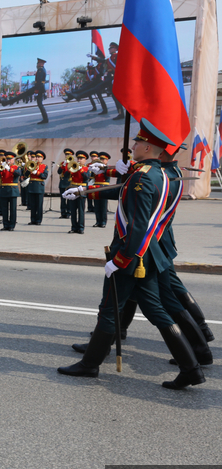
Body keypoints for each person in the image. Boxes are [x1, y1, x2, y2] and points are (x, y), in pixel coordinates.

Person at [58, 119, 204, 390]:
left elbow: (138, 224)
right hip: (147, 254)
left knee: (110, 309)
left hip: (133, 255)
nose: (133, 146)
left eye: (137, 142)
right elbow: (125, 193)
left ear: (148, 147)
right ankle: (191, 368)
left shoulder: (142, 176)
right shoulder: (156, 173)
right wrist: (86, 192)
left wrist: (120, 260)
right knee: (157, 311)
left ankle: (90, 365)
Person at [1, 58, 49, 124]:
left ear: (41, 64)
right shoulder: (42, 69)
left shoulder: (41, 70)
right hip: (39, 88)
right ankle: (45, 119)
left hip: (38, 88)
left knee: (22, 95)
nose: (37, 64)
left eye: (38, 63)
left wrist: (36, 91)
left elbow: (40, 82)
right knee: (40, 104)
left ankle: (5, 103)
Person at [0, 151, 20, 231]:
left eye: (10, 159)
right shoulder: (3, 167)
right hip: (4, 189)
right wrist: (0, 168)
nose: (8, 160)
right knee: (4, 209)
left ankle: (12, 225)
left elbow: (18, 174)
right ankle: (5, 225)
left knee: (12, 209)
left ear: (13, 159)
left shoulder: (16, 167)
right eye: (7, 159)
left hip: (12, 189)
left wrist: (10, 169)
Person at [67, 151, 90, 234]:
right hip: (73, 189)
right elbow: (66, 176)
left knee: (81, 210)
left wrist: (81, 170)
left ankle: (80, 228)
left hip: (81, 190)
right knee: (73, 210)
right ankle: (73, 227)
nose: (79, 160)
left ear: (85, 160)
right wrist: (66, 167)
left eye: (81, 158)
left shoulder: (86, 169)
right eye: (78, 158)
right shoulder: (73, 167)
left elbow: (87, 178)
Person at [26, 150, 48, 225]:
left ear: (42, 158)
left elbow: (45, 176)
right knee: (32, 205)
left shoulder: (44, 166)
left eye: (39, 157)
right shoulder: (31, 164)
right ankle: (33, 219)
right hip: (32, 186)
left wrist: (37, 173)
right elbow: (26, 174)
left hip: (39, 186)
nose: (37, 158)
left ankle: (38, 220)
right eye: (37, 157)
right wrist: (29, 168)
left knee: (39, 205)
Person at [57, 148, 74, 218]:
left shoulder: (74, 164)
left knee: (69, 198)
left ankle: (69, 212)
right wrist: (63, 165)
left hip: (70, 182)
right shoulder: (62, 163)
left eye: (69, 154)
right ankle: (63, 213)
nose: (67, 156)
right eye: (66, 154)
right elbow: (59, 172)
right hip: (63, 181)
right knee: (63, 199)